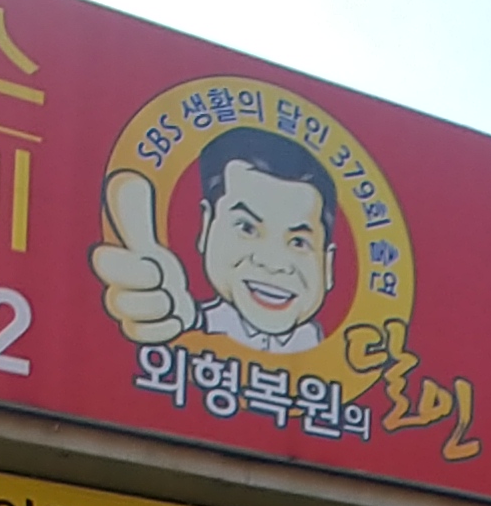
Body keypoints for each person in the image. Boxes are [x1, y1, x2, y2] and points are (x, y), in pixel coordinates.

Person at [91, 125, 347, 354]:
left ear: (327, 265)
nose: (273, 263)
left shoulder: (321, 345)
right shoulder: (202, 324)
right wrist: (165, 308)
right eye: (247, 228)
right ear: (206, 226)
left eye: (299, 243)